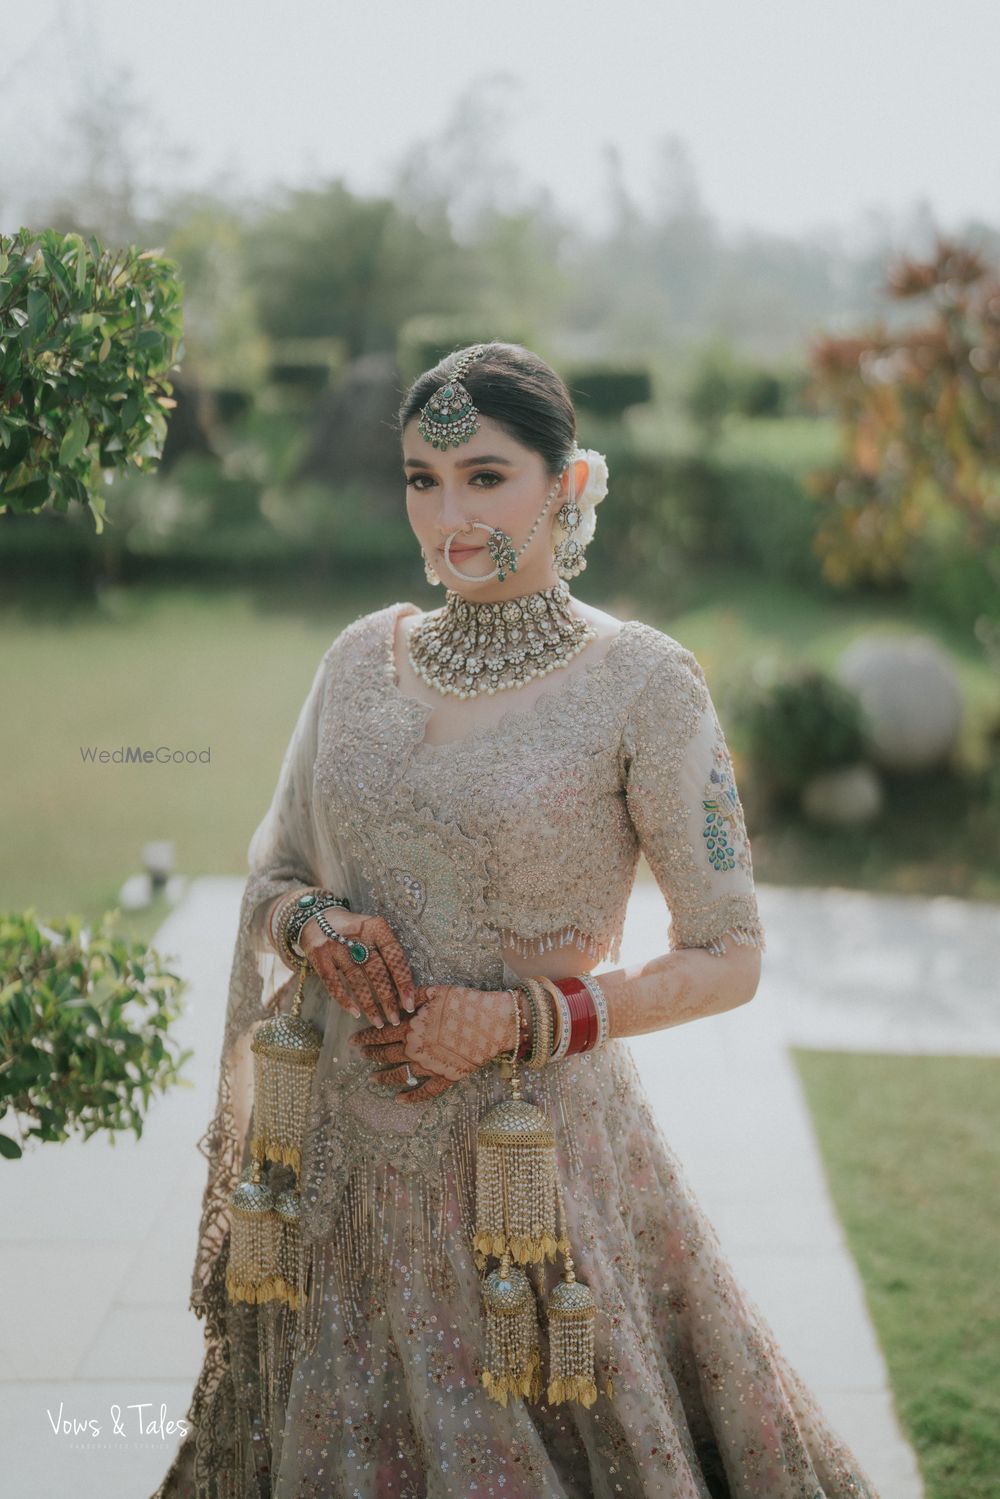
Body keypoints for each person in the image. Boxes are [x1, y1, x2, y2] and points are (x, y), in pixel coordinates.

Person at [152, 342, 879, 1498]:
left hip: (525, 1182)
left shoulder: (643, 682)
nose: (447, 514)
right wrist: (317, 930)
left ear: (567, 485)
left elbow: (730, 952)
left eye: (485, 475)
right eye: (420, 477)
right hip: (343, 1175)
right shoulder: (357, 660)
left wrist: (520, 1018)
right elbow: (277, 866)